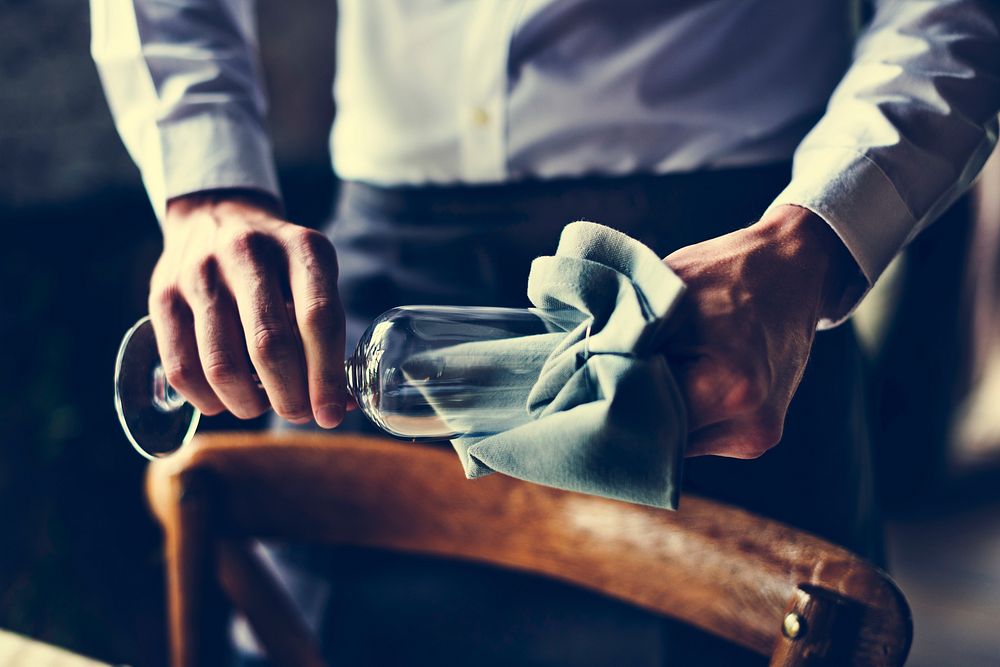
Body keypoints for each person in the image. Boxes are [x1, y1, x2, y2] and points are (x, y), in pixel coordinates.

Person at [91, 1, 1000, 664]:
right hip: (372, 278)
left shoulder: (762, 279)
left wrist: (809, 247)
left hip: (716, 291)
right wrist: (207, 188)